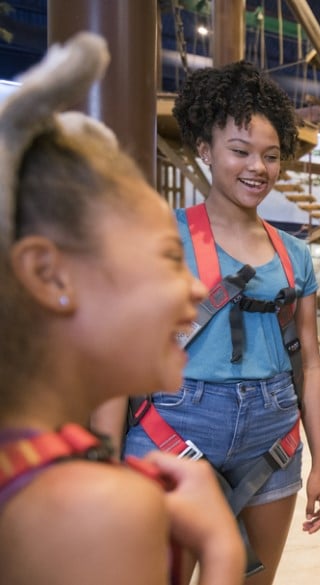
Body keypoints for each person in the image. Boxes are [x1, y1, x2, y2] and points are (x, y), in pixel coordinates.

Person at [0, 32, 244, 584]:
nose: (192, 289)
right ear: (49, 273)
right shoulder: (96, 509)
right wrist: (221, 550)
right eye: (165, 257)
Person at [102, 60, 320, 585]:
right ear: (204, 150)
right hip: (175, 423)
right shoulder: (160, 234)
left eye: (271, 156)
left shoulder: (294, 254)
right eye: (241, 151)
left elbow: (311, 365)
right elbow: (120, 353)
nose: (259, 167)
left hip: (273, 433)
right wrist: (103, 455)